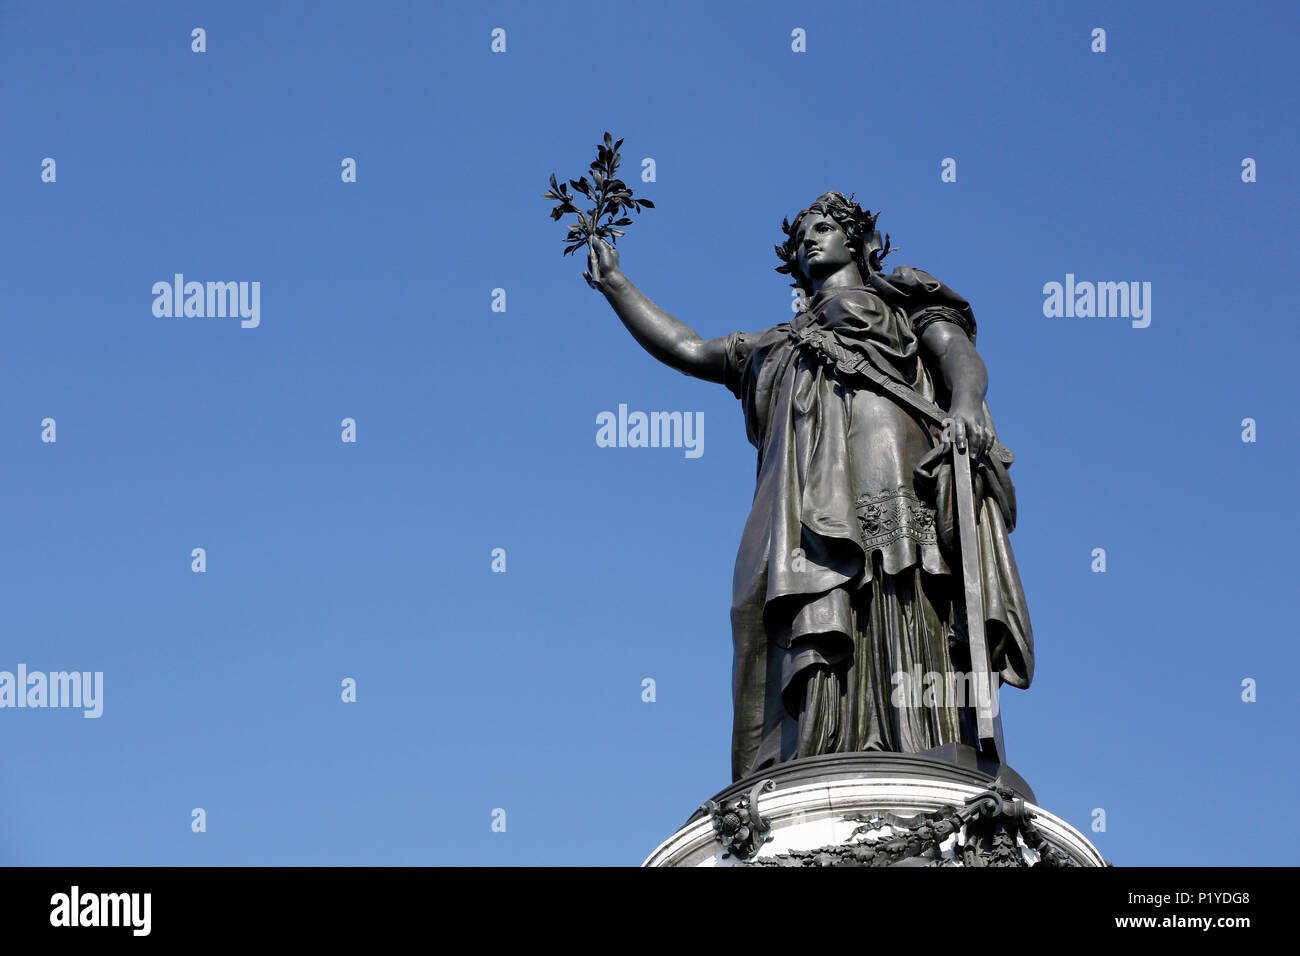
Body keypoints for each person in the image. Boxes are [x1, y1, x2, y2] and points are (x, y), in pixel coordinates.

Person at [587, 191, 1034, 783]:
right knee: (795, 595)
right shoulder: (775, 343)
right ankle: (813, 743)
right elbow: (691, 349)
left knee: (898, 578)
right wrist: (618, 285)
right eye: (801, 237)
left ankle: (924, 735)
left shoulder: (901, 303)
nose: (810, 240)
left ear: (860, 242)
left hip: (887, 458)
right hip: (798, 494)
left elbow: (958, 355)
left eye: (824, 228)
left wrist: (968, 403)